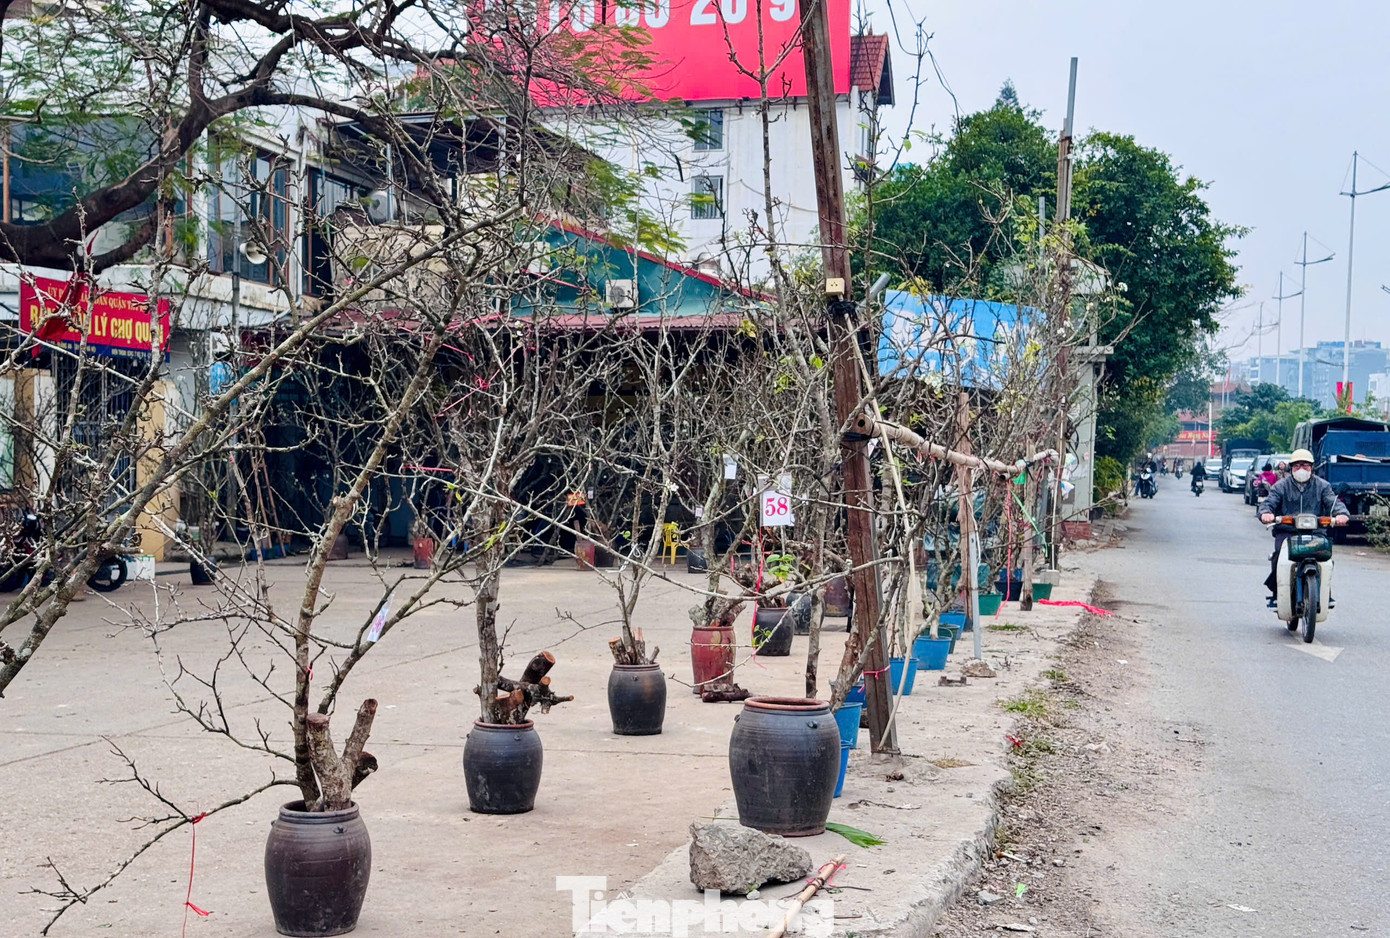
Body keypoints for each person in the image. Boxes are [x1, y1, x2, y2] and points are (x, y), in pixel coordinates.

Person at [1258, 449, 1349, 597]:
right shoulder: (1281, 486)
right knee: (1279, 556)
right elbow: (1268, 503)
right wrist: (1266, 513)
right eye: (1297, 465)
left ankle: (1325, 591)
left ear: (1312, 467)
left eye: (1305, 465)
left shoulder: (1323, 486)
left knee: (1325, 559)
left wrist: (1341, 514)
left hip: (1316, 532)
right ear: (1291, 468)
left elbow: (1333, 502)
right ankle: (1277, 591)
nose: (1301, 469)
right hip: (1287, 531)